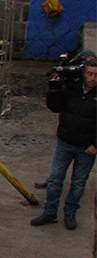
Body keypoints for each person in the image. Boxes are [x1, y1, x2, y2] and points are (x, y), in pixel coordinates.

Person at [30, 59, 96, 230]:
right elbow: (55, 107)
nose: (93, 78)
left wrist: (95, 145)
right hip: (65, 141)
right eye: (89, 74)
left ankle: (70, 213)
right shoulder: (72, 87)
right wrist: (54, 90)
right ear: (83, 73)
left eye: (96, 75)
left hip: (86, 147)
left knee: (78, 183)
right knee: (55, 179)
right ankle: (50, 212)